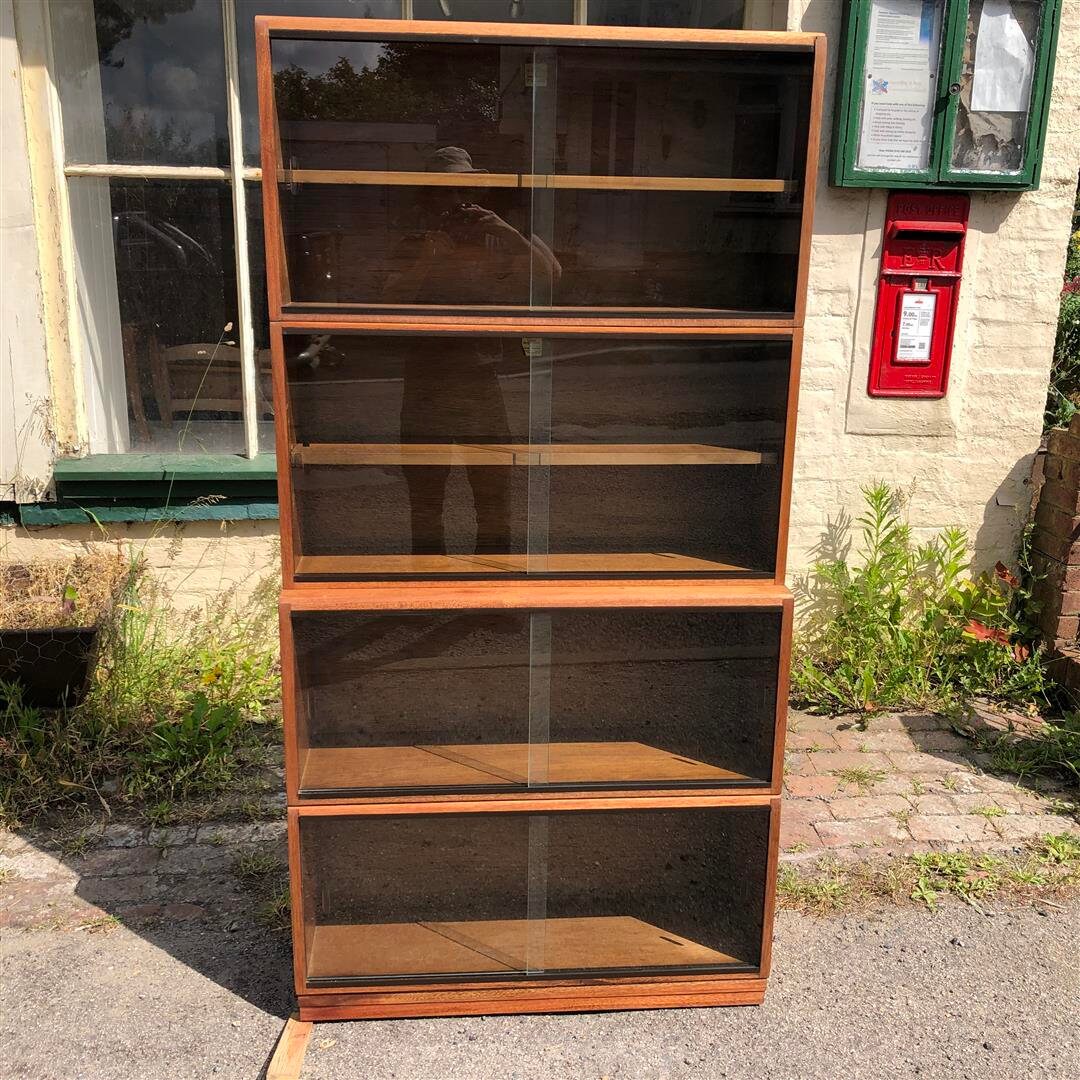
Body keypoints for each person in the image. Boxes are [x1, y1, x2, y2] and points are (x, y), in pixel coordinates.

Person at [385, 147, 562, 560]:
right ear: (429, 199)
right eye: (445, 193)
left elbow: (551, 278)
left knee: (493, 490)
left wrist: (510, 235)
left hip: (480, 380)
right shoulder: (416, 241)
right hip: (426, 380)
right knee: (426, 495)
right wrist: (427, 261)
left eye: (463, 191)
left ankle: (492, 586)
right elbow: (387, 300)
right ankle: (429, 586)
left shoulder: (496, 233)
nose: (457, 202)